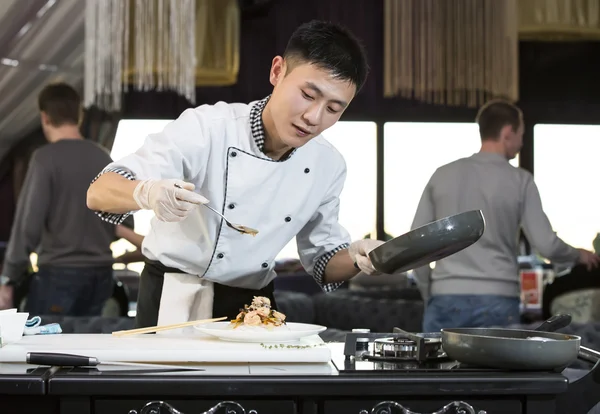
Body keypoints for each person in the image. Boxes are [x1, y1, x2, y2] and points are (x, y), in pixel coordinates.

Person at [87, 20, 385, 329]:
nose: (314, 117)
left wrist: (363, 259)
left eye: (334, 108)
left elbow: (323, 261)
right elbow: (99, 192)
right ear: (277, 71)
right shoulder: (207, 128)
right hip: (175, 298)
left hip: (253, 308)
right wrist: (146, 192)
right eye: (308, 95)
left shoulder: (328, 164)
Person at [410, 99, 600, 332]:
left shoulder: (442, 175)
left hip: (445, 298)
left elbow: (416, 244)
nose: (522, 142)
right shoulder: (520, 180)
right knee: (495, 370)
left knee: (437, 369)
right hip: (498, 299)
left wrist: (430, 293)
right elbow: (546, 245)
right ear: (508, 133)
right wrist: (578, 255)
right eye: (521, 133)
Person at [0, 82, 138, 316]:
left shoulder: (45, 158)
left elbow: (28, 225)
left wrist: (9, 277)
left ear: (44, 118)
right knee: (89, 348)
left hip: (58, 274)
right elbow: (124, 222)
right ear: (79, 116)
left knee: (47, 347)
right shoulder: (103, 157)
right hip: (102, 276)